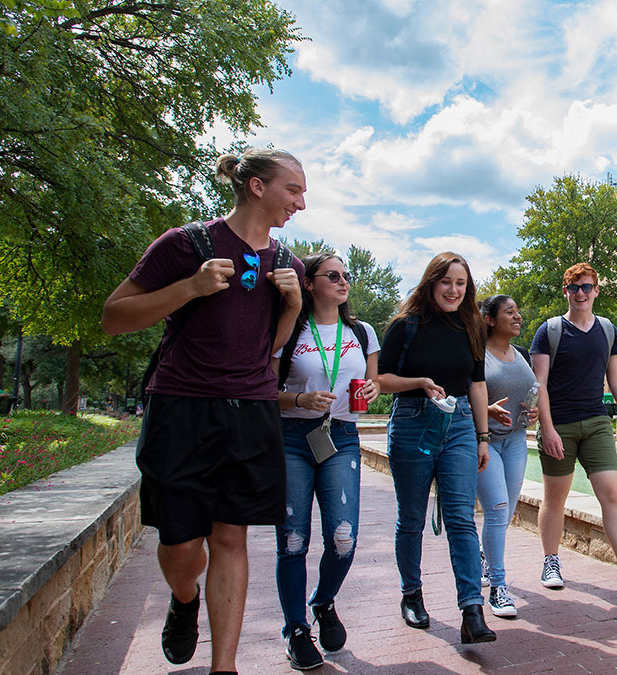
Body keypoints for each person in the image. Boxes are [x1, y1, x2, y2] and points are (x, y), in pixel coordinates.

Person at [100, 148, 306, 674]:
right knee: (180, 543)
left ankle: (226, 667)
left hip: (252, 409)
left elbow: (271, 349)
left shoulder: (289, 265)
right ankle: (184, 597)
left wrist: (294, 306)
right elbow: (114, 317)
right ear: (257, 187)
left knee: (231, 535)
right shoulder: (187, 244)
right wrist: (189, 287)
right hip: (183, 407)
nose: (301, 203)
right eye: (294, 190)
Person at [376, 252, 496, 644]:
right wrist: (419, 382)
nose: (453, 290)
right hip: (413, 421)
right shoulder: (405, 325)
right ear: (431, 283)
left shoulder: (472, 326)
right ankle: (411, 594)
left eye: (461, 283)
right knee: (411, 517)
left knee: (461, 517)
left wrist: (482, 436)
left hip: (460, 424)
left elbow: (477, 385)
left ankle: (471, 611)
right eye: (446, 282)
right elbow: (381, 379)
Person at [270, 252, 380, 669]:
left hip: (342, 438)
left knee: (343, 537)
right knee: (293, 540)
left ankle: (323, 601)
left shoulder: (363, 331)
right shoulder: (290, 330)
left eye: (345, 275)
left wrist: (371, 392)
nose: (342, 280)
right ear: (309, 283)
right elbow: (263, 386)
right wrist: (299, 399)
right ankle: (296, 629)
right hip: (293, 437)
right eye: (332, 275)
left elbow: (372, 383)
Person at [531, 262, 617, 597]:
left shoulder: (607, 330)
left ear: (596, 291)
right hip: (558, 424)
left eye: (586, 287)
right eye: (574, 288)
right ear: (565, 292)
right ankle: (551, 560)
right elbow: (539, 385)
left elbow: (616, 380)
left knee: (612, 494)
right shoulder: (549, 331)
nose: (580, 294)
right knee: (555, 498)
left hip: (596, 423)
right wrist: (547, 429)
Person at [477, 294, 539, 618]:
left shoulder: (522, 353)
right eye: (509, 312)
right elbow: (462, 395)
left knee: (507, 509)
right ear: (489, 319)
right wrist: (485, 410)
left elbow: (532, 392)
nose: (517, 316)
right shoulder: (476, 355)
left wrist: (536, 412)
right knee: (498, 510)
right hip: (484, 442)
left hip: (515, 439)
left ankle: (484, 557)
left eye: (518, 311)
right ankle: (498, 588)